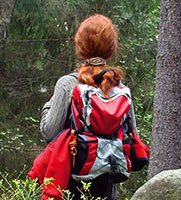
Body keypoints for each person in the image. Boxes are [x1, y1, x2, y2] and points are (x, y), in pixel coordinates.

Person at [39, 14, 139, 199]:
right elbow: (134, 138)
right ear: (111, 48)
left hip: (70, 185)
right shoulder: (120, 88)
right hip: (108, 188)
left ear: (80, 47)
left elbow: (49, 132)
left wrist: (48, 105)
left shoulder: (68, 84)